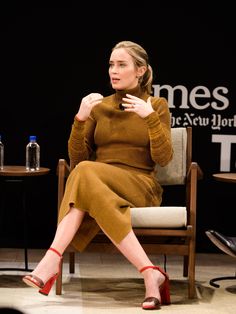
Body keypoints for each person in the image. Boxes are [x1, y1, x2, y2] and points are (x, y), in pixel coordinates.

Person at [22, 40, 173, 310]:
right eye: (111, 64)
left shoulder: (156, 105)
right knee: (85, 174)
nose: (113, 70)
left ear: (140, 71)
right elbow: (77, 160)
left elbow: (163, 159)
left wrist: (149, 117)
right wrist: (80, 120)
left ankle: (51, 258)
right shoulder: (100, 107)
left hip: (141, 185)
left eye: (121, 64)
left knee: (85, 174)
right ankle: (151, 274)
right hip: (100, 185)